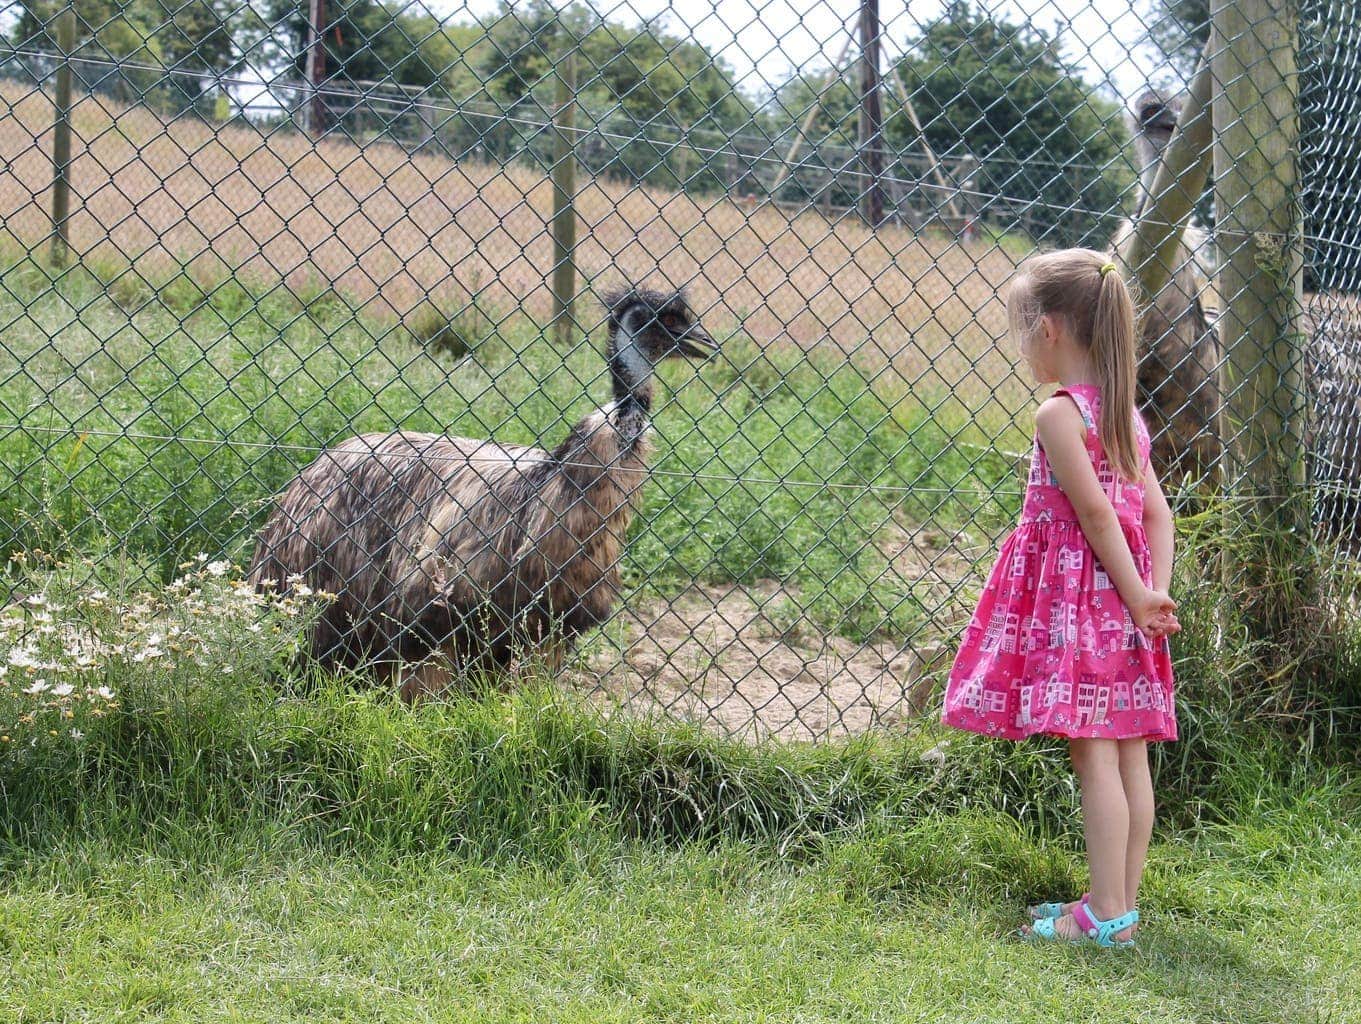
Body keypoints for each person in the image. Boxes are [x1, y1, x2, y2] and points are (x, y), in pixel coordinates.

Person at [941, 248, 1180, 948]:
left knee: (1093, 756)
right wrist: (1152, 593)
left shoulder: (1058, 414)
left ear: (1047, 330)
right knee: (1128, 753)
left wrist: (1136, 595)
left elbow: (1095, 517)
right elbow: (1154, 516)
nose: (1019, 345)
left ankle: (1103, 915)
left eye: (1019, 329)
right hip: (1130, 605)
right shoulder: (1122, 416)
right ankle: (1117, 908)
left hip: (1087, 609)